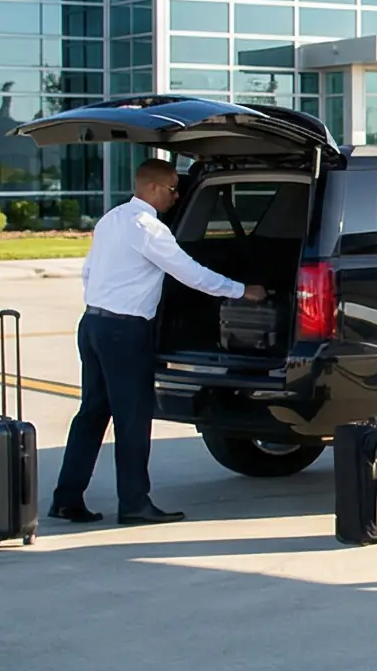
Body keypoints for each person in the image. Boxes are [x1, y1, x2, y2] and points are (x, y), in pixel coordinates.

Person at [48, 158, 263, 526]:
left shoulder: (111, 219)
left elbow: (88, 270)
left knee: (92, 413)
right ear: (153, 188)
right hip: (124, 332)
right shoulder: (149, 228)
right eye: (173, 188)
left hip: (93, 324)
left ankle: (67, 498)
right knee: (132, 418)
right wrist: (242, 291)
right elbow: (190, 273)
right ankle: (134, 503)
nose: (177, 196)